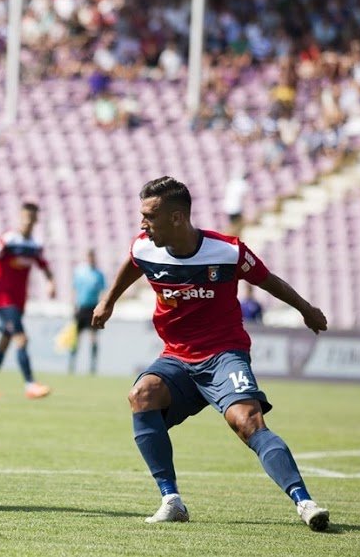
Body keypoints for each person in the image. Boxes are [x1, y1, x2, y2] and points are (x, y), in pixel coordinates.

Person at [92, 176, 330, 531]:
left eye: (150, 216)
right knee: (141, 395)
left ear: (177, 217)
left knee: (247, 422)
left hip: (223, 355)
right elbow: (132, 264)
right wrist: (108, 301)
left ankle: (304, 502)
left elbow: (268, 280)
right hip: (177, 357)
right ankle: (171, 500)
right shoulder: (144, 248)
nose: (143, 223)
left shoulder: (228, 251)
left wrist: (306, 309)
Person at [0, 202, 55, 399]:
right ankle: (30, 385)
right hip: (4, 299)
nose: (28, 221)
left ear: (36, 220)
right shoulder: (8, 240)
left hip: (19, 302)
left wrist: (51, 283)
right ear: (20, 217)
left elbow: (44, 266)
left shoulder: (34, 245)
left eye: (31, 218)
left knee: (4, 342)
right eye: (25, 217)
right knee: (21, 338)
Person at [70, 250, 105, 375]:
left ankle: (92, 366)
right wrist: (74, 306)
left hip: (92, 308)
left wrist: (102, 307)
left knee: (93, 338)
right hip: (81, 308)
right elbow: (74, 289)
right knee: (76, 338)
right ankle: (72, 364)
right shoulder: (80, 272)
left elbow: (102, 291)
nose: (91, 259)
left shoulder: (99, 274)